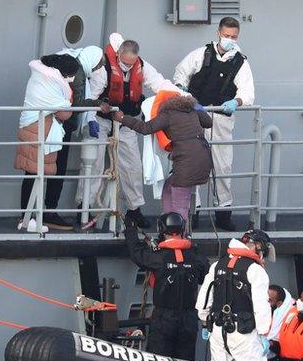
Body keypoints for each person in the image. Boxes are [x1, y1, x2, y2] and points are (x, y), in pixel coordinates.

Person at [90, 34, 183, 229]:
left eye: (131, 64)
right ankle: (87, 208)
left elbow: (160, 84)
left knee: (133, 167)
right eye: (124, 63)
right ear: (118, 54)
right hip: (101, 121)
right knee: (94, 164)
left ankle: (134, 210)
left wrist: (182, 97)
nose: (127, 67)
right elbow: (92, 96)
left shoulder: (141, 66)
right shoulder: (104, 67)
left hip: (126, 122)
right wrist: (96, 111)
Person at [173, 17, 255, 231]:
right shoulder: (201, 54)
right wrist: (185, 94)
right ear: (219, 33)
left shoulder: (240, 62)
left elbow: (248, 93)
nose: (230, 40)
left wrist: (235, 102)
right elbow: (180, 74)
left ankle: (223, 214)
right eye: (227, 36)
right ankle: (193, 211)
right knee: (193, 162)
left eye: (234, 37)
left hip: (221, 117)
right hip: (196, 114)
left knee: (223, 164)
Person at [104, 93, 212, 224]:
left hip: (186, 162)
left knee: (180, 202)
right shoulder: (192, 110)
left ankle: (179, 236)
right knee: (168, 188)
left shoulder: (167, 114)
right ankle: (168, 225)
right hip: (203, 158)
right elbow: (208, 122)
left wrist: (123, 118)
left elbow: (145, 128)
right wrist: (198, 107)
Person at [124, 211, 209, 360]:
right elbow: (204, 275)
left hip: (164, 318)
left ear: (162, 230)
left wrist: (131, 230)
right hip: (189, 319)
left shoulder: (158, 257)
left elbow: (137, 253)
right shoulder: (195, 256)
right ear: (182, 230)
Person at [40, 45, 106, 231]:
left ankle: (31, 213)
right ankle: (49, 212)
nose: (95, 70)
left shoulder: (73, 64)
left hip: (50, 124)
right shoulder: (77, 73)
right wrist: (97, 104)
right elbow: (75, 102)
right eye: (96, 66)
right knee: (56, 169)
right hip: (60, 126)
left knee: (39, 169)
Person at [196, 229, 274, 361]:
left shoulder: (217, 265)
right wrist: (263, 334)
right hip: (244, 333)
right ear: (257, 246)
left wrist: (205, 321)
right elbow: (261, 306)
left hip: (218, 330)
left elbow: (204, 299)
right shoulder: (255, 270)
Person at [15, 54, 77, 233]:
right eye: (71, 75)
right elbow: (64, 112)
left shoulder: (40, 76)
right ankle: (27, 220)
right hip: (40, 130)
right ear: (65, 72)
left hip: (31, 128)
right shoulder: (53, 81)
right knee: (37, 174)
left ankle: (27, 217)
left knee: (32, 174)